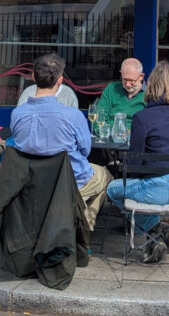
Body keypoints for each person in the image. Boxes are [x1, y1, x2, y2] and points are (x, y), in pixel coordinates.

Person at [105, 61, 169, 263]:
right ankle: (156, 237)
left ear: (150, 85)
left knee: (112, 188)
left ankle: (155, 229)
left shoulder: (143, 117)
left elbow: (135, 166)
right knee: (137, 186)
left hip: (157, 188)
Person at [10, 53, 112, 230]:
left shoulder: (17, 114)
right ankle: (83, 227)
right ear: (60, 81)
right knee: (106, 176)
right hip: (68, 182)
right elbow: (85, 151)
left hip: (31, 181)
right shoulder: (74, 116)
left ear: (33, 77)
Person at [96, 57, 146, 130]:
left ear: (141, 76)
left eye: (131, 80)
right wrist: (105, 133)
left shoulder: (149, 95)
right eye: (125, 80)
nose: (127, 84)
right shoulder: (111, 89)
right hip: (109, 135)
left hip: (135, 135)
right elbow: (99, 118)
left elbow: (149, 125)